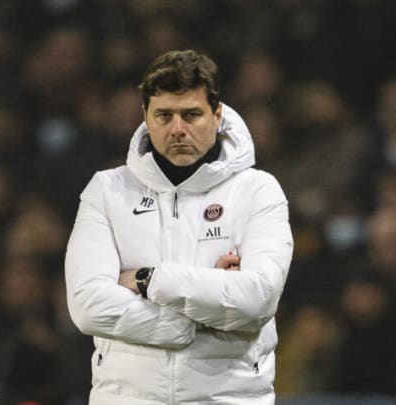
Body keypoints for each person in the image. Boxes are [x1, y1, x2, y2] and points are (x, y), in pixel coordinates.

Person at [64, 49, 293, 404]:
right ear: (145, 116)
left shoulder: (258, 191)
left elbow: (257, 299)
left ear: (217, 115)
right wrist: (190, 322)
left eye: (191, 115)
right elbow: (87, 305)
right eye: (164, 116)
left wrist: (147, 280)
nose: (178, 129)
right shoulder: (108, 190)